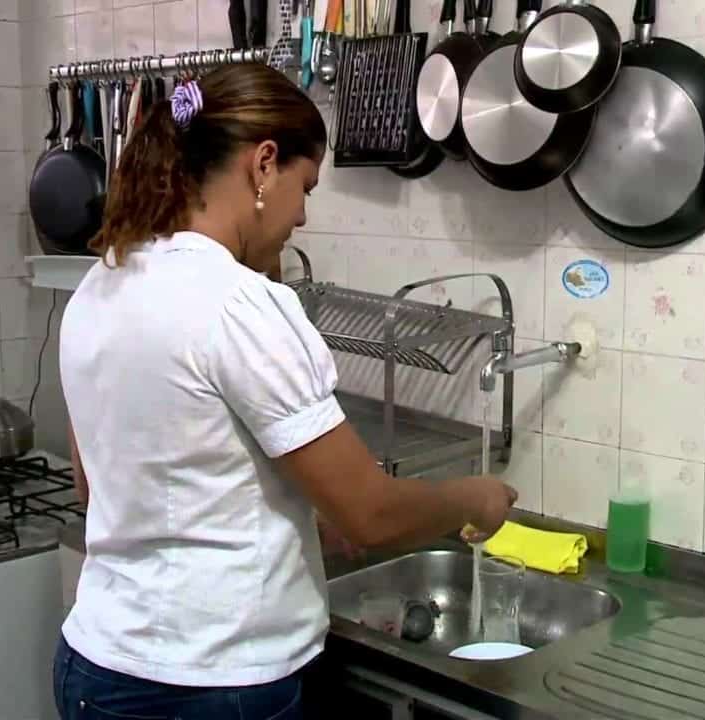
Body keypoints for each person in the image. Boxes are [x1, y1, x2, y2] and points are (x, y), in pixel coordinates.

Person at [54, 63, 517, 720]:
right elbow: (371, 514)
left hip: (96, 666)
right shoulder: (241, 304)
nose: (301, 214)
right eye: (306, 186)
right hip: (210, 684)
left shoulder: (102, 282)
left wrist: (289, 523)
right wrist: (472, 498)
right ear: (264, 164)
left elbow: (99, 487)